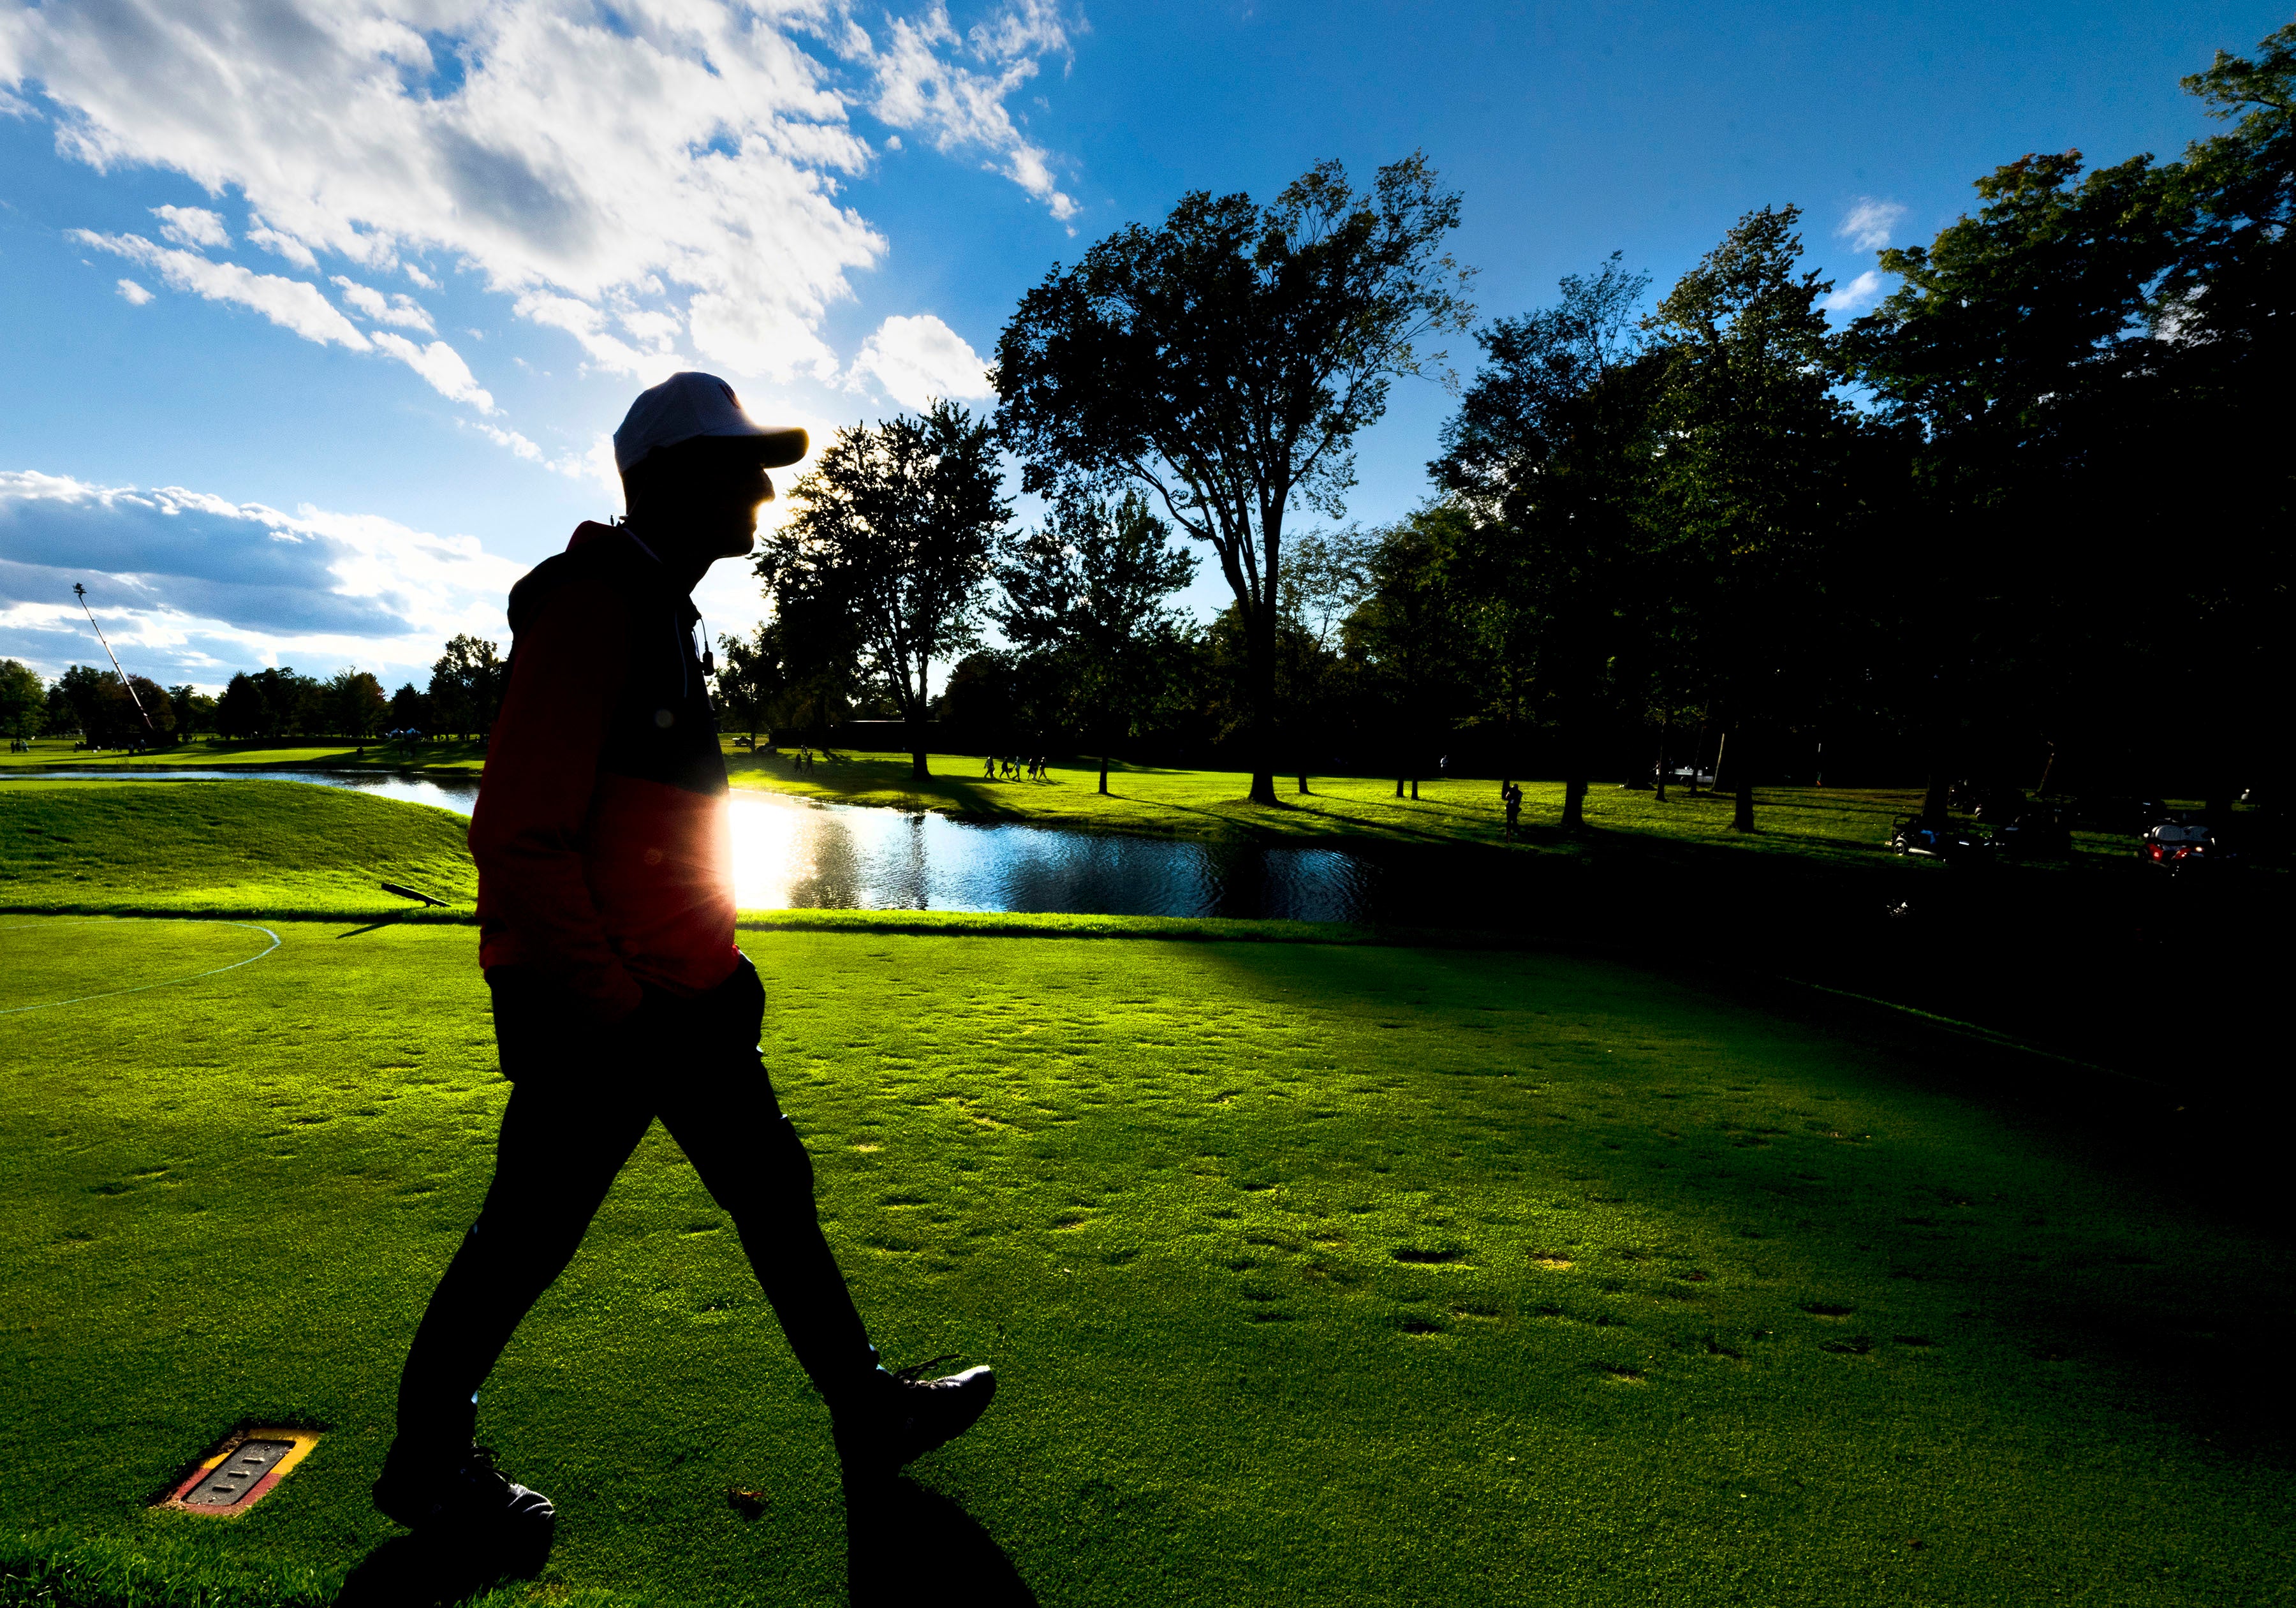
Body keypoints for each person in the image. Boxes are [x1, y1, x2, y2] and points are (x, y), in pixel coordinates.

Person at [374, 372, 996, 1540]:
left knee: (775, 1194)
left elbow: (652, 837)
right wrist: (615, 1001)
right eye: (735, 465)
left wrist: (717, 965)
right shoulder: (597, 604)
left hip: (680, 1003)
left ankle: (866, 1410)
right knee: (527, 1236)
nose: (763, 489)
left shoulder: (658, 606)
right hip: (601, 1011)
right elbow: (519, 835)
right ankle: (429, 1461)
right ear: (665, 481)